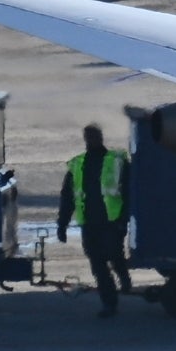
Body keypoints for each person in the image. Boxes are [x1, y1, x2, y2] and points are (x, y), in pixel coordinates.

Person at [62, 123, 132, 315]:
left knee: (114, 255)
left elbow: (129, 192)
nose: (92, 140)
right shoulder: (78, 164)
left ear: (101, 137)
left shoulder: (116, 161)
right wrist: (62, 223)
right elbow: (67, 196)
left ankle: (124, 278)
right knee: (98, 264)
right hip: (90, 223)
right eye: (89, 137)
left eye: (94, 136)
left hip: (112, 221)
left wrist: (124, 220)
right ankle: (109, 302)